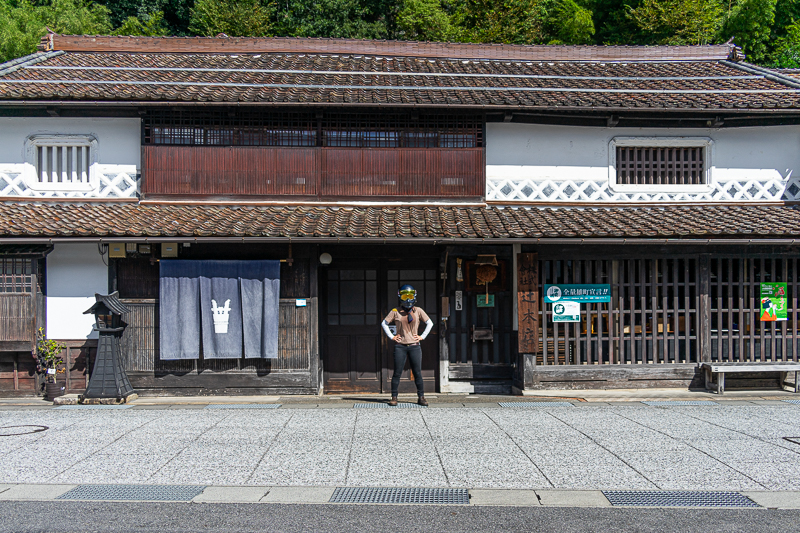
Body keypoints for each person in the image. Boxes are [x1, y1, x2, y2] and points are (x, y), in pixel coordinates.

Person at [381, 284, 434, 406]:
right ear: (400, 296)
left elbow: (430, 323)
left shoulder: (419, 310)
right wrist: (392, 336)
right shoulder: (395, 311)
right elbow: (384, 323)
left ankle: (421, 397)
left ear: (414, 296)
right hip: (400, 346)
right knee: (397, 373)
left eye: (410, 296)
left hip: (415, 346)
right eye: (405, 296)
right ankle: (394, 397)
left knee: (417, 372)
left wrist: (422, 336)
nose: (408, 299)